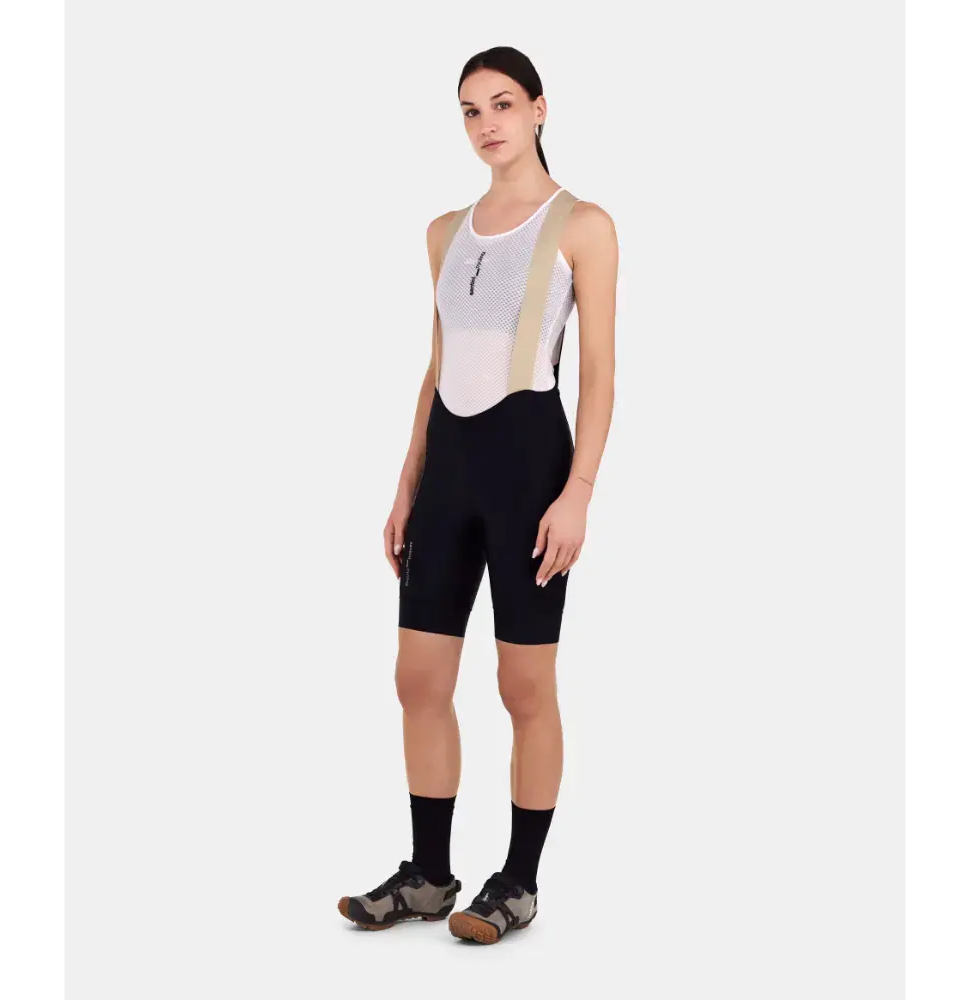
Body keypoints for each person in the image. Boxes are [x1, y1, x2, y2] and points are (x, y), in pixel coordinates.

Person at [338, 45, 618, 945]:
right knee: (417, 676)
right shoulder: (443, 232)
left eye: (501, 103)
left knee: (522, 683)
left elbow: (600, 372)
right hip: (449, 469)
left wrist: (578, 493)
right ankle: (429, 875)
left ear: (539, 109)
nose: (486, 123)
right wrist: (406, 482)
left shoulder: (583, 225)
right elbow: (438, 365)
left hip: (530, 464)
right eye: (469, 110)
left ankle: (520, 882)